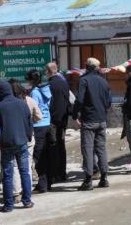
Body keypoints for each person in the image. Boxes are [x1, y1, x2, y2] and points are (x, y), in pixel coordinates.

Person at [0, 81, 35, 212]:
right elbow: (29, 122)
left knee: (7, 174)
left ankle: (8, 205)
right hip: (22, 142)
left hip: (6, 144)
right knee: (24, 172)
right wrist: (28, 136)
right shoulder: (22, 103)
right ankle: (27, 201)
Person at [73, 58, 111, 190]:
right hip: (101, 120)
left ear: (86, 67)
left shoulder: (84, 80)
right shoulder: (104, 81)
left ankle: (88, 180)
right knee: (101, 149)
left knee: (88, 150)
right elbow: (109, 102)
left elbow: (79, 100)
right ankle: (104, 178)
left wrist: (74, 114)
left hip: (89, 120)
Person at [6, 79, 41, 199]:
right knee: (27, 165)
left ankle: (16, 192)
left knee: (14, 166)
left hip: (11, 136)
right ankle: (27, 192)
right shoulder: (29, 100)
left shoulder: (6, 103)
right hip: (28, 136)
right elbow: (39, 116)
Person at [26, 69, 53, 193]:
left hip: (38, 126)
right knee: (46, 154)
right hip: (47, 123)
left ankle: (42, 185)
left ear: (31, 80)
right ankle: (48, 182)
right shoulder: (46, 89)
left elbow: (33, 110)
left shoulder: (34, 93)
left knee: (39, 155)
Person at [45, 62, 71, 183]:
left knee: (53, 146)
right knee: (61, 145)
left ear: (49, 72)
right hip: (63, 119)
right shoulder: (64, 83)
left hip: (52, 120)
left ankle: (54, 174)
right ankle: (62, 173)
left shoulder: (49, 85)